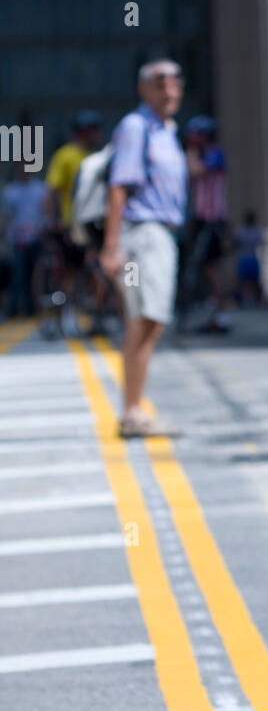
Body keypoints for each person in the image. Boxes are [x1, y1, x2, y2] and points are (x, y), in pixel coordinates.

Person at [99, 60, 187, 438]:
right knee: (143, 320)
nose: (168, 91)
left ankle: (134, 408)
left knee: (151, 321)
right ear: (143, 90)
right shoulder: (136, 126)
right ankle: (132, 412)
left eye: (174, 84)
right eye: (159, 84)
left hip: (161, 234)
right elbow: (119, 187)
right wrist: (111, 246)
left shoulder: (167, 130)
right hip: (142, 233)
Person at [43, 109, 104, 333]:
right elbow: (52, 191)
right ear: (83, 132)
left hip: (96, 224)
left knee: (99, 270)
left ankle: (95, 314)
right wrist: (53, 221)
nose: (98, 134)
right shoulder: (65, 155)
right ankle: (69, 314)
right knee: (70, 271)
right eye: (94, 130)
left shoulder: (98, 157)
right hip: (72, 224)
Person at [184, 115, 232, 333]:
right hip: (201, 220)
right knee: (204, 268)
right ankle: (213, 311)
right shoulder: (205, 154)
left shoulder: (215, 154)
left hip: (213, 221)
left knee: (213, 269)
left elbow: (194, 171)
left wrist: (191, 152)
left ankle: (220, 315)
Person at [1, 162, 46, 317]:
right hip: (18, 239)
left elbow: (45, 211)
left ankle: (33, 307)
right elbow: (7, 216)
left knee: (36, 275)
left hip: (37, 237)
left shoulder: (40, 189)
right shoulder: (10, 191)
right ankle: (15, 307)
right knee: (18, 274)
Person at [234, 210, 264, 306]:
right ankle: (257, 299)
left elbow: (236, 244)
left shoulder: (240, 231)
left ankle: (242, 299)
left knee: (243, 281)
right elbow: (262, 242)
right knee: (254, 280)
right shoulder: (257, 231)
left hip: (244, 257)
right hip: (252, 257)